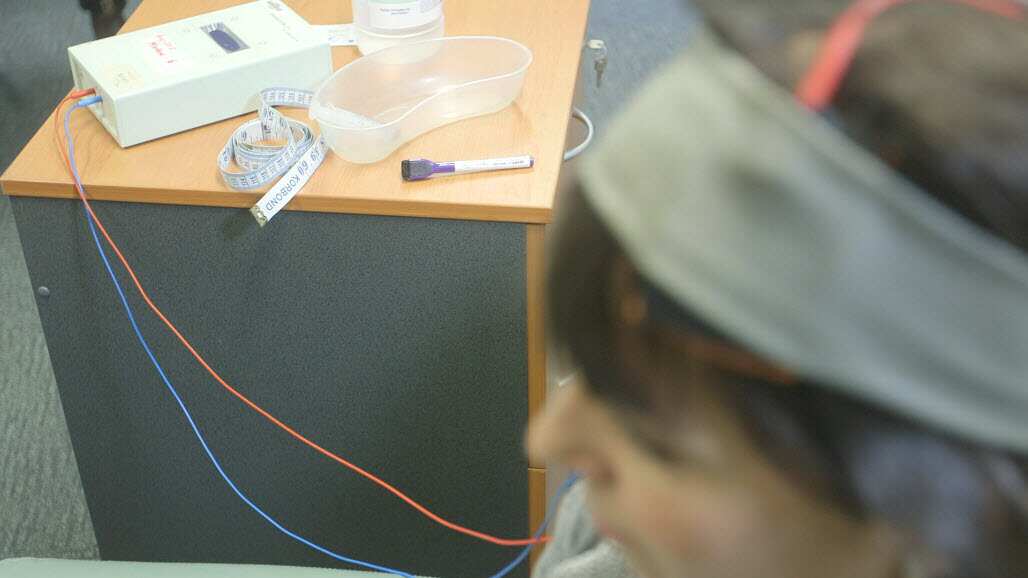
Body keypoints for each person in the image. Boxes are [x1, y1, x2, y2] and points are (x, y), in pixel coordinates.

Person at [527, 1, 1028, 577]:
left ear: (934, 522)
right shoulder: (610, 533)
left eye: (652, 439)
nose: (545, 439)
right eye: (589, 376)